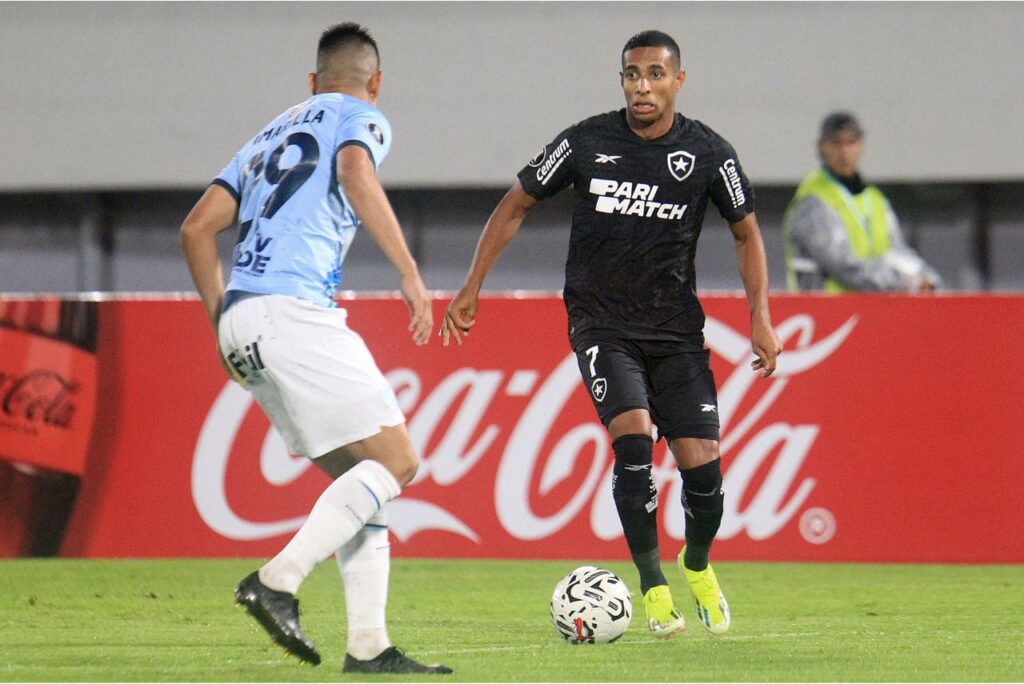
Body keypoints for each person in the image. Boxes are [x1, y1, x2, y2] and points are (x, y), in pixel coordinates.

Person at [441, 30, 782, 638]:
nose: (642, 86)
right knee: (633, 442)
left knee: (703, 471)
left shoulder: (708, 153)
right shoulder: (586, 141)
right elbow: (515, 203)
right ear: (621, 79)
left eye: (655, 74)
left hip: (675, 330)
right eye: (631, 74)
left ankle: (696, 564)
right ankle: (653, 591)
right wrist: (471, 287)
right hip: (602, 323)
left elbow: (746, 231)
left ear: (678, 81)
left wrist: (760, 314)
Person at [180, 23, 451, 675]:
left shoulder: (271, 133)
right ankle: (278, 580)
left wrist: (223, 319)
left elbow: (197, 228)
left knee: (361, 481)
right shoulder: (362, 117)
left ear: (311, 81)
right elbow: (354, 168)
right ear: (375, 83)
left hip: (244, 319)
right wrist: (411, 275)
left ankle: (369, 647)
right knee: (398, 461)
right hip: (294, 310)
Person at [783, 111, 942, 292]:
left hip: (871, 310)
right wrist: (903, 282)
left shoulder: (875, 200)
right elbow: (842, 264)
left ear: (862, 146)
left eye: (851, 142)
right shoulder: (813, 200)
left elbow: (898, 252)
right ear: (821, 147)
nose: (844, 152)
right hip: (826, 314)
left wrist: (924, 277)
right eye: (836, 143)